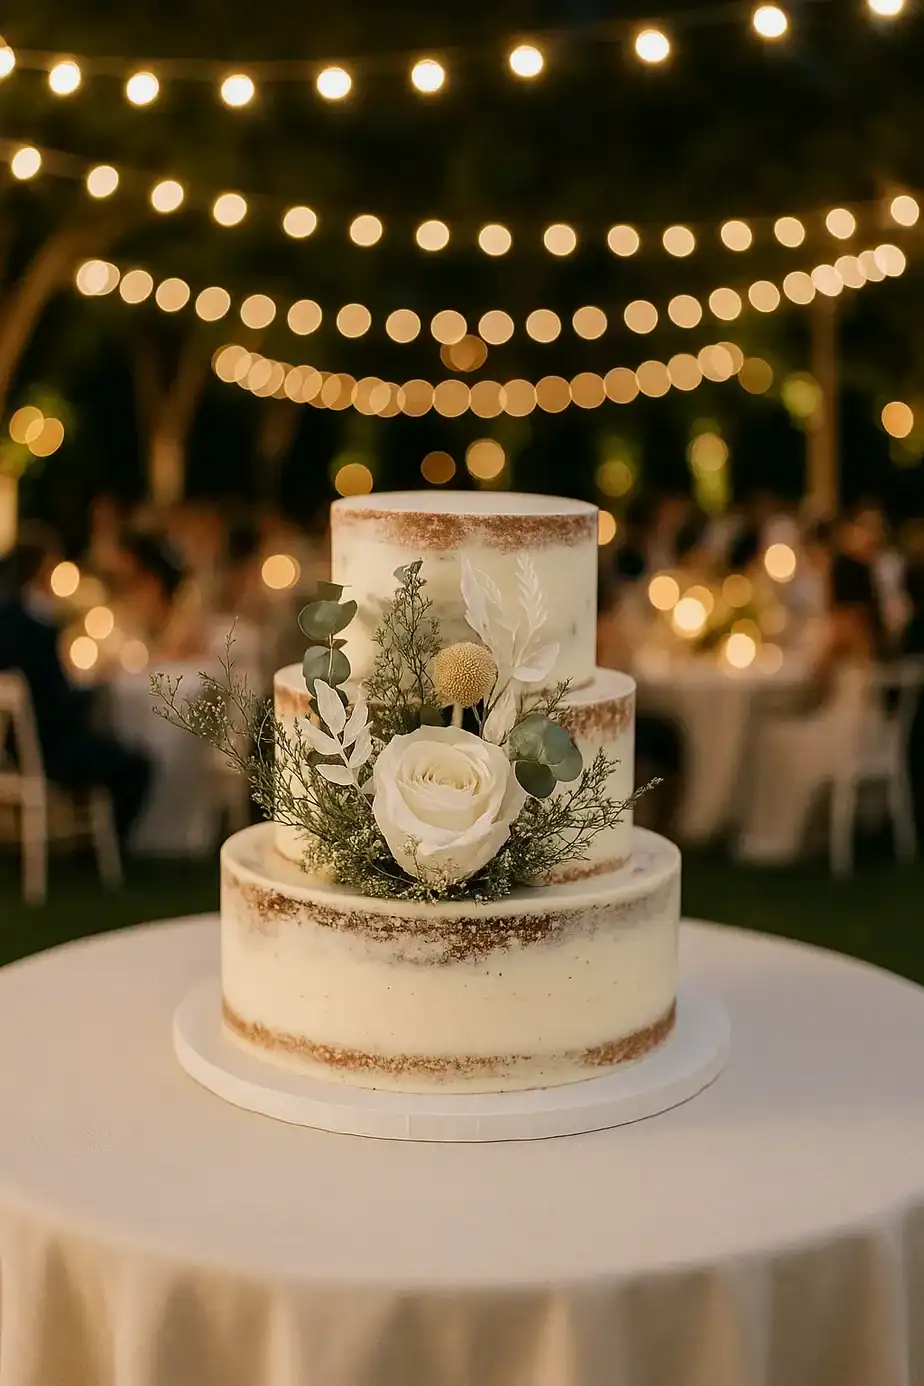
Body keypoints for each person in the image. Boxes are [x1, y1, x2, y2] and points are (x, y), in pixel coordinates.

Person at [0, 535, 152, 846]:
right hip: (45, 752)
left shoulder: (8, 620)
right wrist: (93, 690)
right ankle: (114, 849)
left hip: (8, 751)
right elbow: (57, 708)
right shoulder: (36, 630)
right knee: (136, 763)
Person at [114, 532, 205, 660]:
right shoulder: (129, 634)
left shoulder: (186, 639)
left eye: (131, 584)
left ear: (154, 583)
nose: (126, 595)